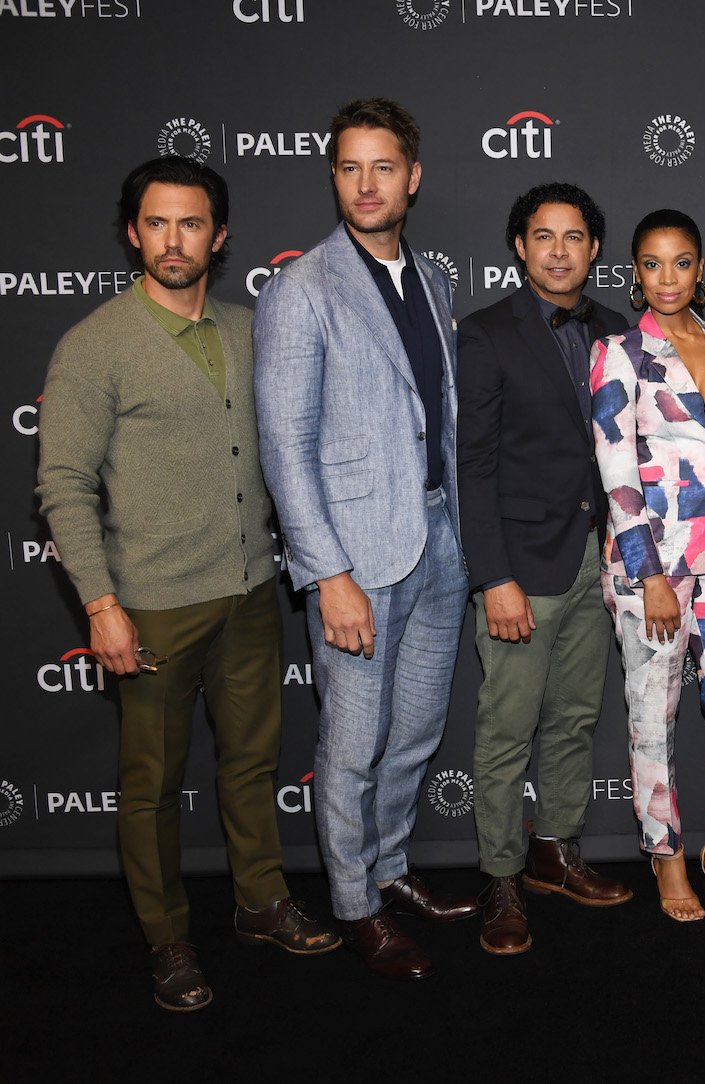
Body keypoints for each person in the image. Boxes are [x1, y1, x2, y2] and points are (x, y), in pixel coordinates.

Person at [36, 156, 339, 1012]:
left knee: (251, 763)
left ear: (220, 235)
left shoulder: (252, 329)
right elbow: (62, 485)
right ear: (135, 233)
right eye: (159, 224)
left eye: (193, 224)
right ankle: (167, 939)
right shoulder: (95, 346)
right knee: (153, 784)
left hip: (250, 593)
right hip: (153, 607)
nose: (176, 241)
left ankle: (259, 903)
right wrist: (101, 605)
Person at [253, 98, 476, 981]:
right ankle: (353, 905)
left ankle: (388, 870)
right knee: (351, 743)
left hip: (439, 543)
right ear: (334, 177)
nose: (366, 184)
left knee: (416, 730)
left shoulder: (432, 280)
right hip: (356, 554)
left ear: (413, 178)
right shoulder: (303, 287)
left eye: (383, 167)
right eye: (349, 168)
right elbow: (284, 443)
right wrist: (327, 572)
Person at [456, 182, 633, 956]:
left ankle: (555, 853)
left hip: (595, 563)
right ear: (520, 247)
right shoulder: (486, 333)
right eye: (543, 236)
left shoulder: (622, 331)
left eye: (574, 237)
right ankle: (499, 876)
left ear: (595, 249)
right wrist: (492, 577)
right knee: (505, 732)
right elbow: (473, 464)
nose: (559, 250)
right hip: (520, 572)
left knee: (574, 721)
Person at [590, 209, 705, 922]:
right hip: (652, 566)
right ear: (635, 273)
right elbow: (615, 469)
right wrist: (651, 574)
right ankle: (666, 860)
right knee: (651, 720)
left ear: (700, 269)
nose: (667, 277)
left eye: (681, 262)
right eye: (652, 264)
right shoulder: (618, 352)